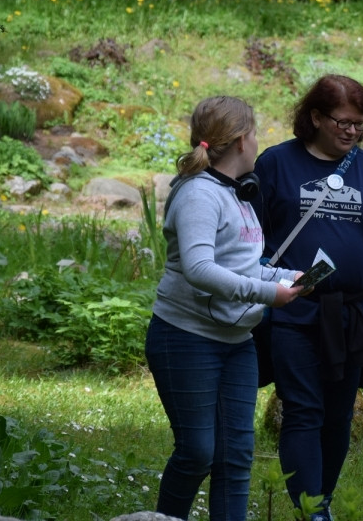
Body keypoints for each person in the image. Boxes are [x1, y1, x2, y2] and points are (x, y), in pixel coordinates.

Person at [251, 74, 363, 521]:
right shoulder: (277, 163)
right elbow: (247, 236)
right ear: (315, 117)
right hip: (294, 308)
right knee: (304, 410)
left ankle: (320, 502)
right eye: (344, 122)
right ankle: (310, 510)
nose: (352, 131)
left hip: (354, 313)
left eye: (361, 124)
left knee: (338, 415)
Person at [145, 95, 304, 521]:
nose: (258, 142)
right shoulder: (199, 194)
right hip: (185, 338)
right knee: (198, 452)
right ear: (239, 141)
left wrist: (288, 279)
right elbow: (199, 270)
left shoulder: (239, 196)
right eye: (254, 134)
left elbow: (247, 267)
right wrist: (269, 294)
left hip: (237, 343)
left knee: (235, 458)